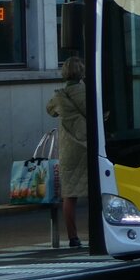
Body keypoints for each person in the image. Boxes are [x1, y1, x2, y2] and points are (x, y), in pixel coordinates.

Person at [47, 56, 88, 248]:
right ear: (82, 73)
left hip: (69, 150)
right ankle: (101, 230)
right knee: (99, 192)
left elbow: (50, 110)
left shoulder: (60, 96)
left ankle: (73, 237)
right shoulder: (88, 92)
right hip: (89, 147)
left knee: (69, 195)